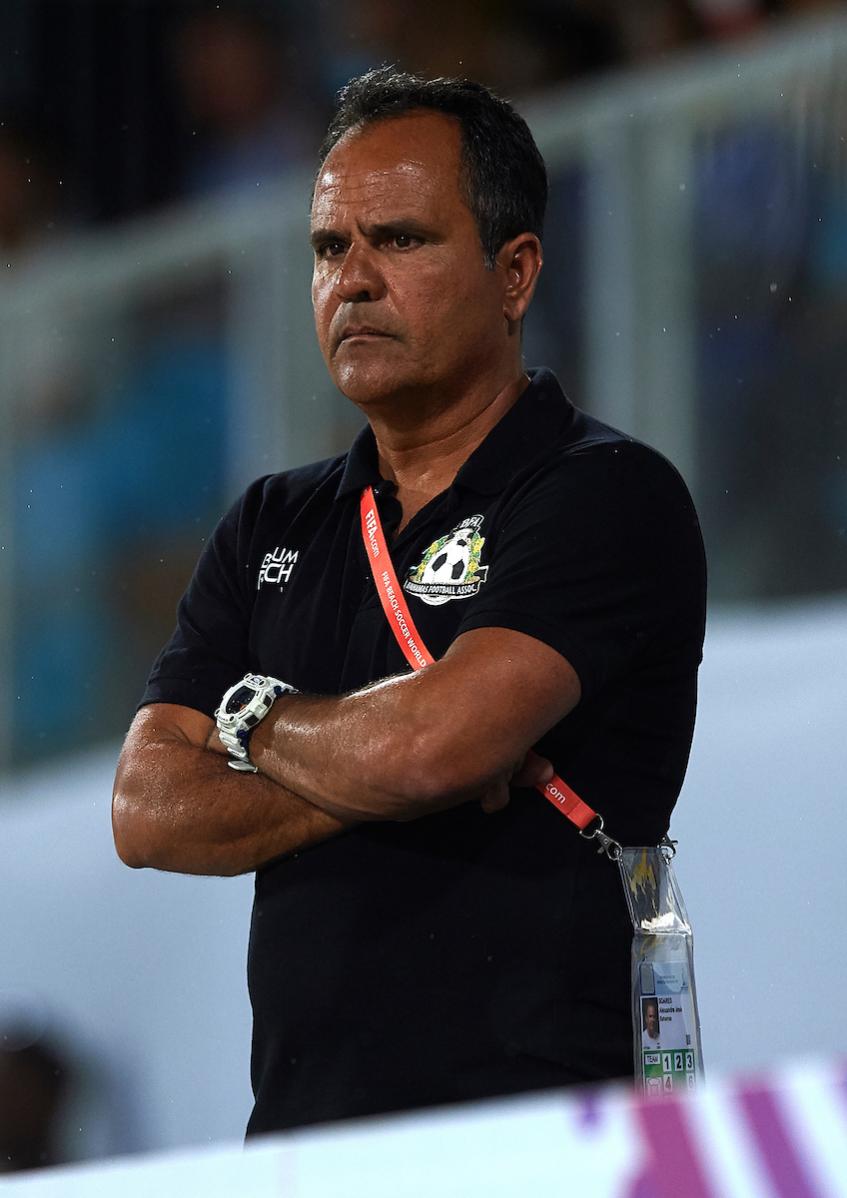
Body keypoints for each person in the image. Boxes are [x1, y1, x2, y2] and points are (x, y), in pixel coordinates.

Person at [112, 68, 706, 1134]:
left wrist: (248, 723)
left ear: (514, 273)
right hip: (301, 1148)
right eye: (328, 248)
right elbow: (146, 808)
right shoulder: (269, 523)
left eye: (399, 239)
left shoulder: (605, 493)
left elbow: (436, 746)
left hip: (545, 1137)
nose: (352, 280)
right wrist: (393, 763)